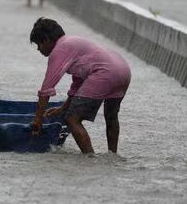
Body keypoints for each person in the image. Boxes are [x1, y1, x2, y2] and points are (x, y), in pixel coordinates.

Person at [29, 18, 131, 154]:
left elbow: (46, 90)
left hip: (105, 73)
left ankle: (90, 158)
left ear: (46, 39)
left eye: (38, 45)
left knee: (72, 119)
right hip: (123, 70)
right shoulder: (73, 42)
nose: (38, 50)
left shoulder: (59, 50)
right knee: (111, 116)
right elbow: (78, 83)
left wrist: (38, 119)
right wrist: (63, 108)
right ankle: (113, 156)